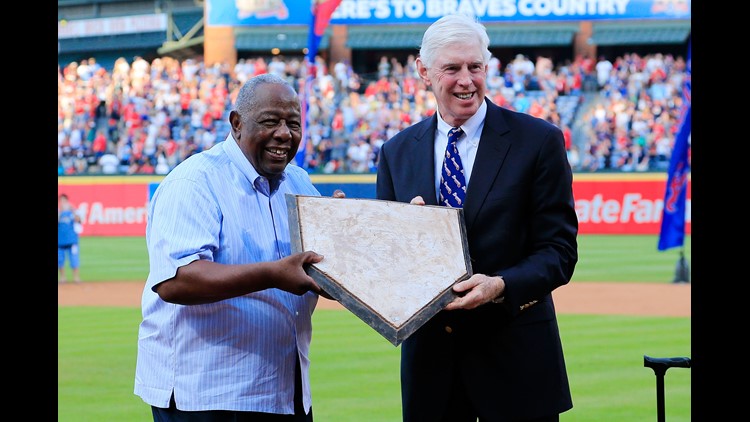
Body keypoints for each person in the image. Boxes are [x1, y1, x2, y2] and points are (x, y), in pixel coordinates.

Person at [376, 14, 579, 422]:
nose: (466, 80)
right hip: (431, 376)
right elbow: (388, 267)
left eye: (476, 66)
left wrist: (501, 286)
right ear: (424, 72)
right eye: (452, 68)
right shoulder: (396, 152)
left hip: (517, 370)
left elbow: (559, 252)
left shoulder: (538, 141)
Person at [134, 73, 343, 421]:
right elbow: (176, 281)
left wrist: (348, 240)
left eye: (293, 123)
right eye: (270, 121)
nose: (284, 134)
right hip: (206, 394)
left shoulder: (299, 181)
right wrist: (272, 275)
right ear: (236, 123)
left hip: (283, 391)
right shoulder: (194, 181)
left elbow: (319, 269)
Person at [58, 193, 83, 283]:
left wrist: (73, 210)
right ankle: (63, 277)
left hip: (72, 240)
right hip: (60, 241)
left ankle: (76, 277)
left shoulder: (73, 212)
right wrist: (61, 212)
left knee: (74, 259)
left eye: (64, 200)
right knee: (60, 260)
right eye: (61, 200)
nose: (63, 202)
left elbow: (79, 220)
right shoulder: (59, 212)